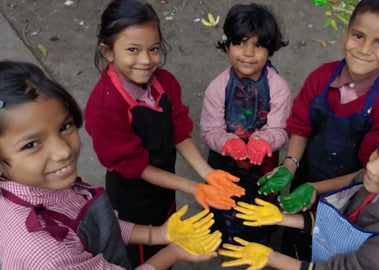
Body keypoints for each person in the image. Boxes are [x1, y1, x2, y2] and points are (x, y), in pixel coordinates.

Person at [0, 60, 223, 270]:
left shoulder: (44, 183)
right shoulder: (48, 256)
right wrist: (173, 252)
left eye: (65, 126)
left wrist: (161, 235)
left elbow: (101, 227)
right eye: (31, 144)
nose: (63, 151)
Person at [84, 0, 244, 266]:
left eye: (154, 49)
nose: (146, 60)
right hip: (131, 197)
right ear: (108, 51)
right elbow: (136, 167)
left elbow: (179, 132)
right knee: (142, 252)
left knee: (168, 227)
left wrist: (208, 174)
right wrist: (194, 187)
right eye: (133, 50)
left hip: (164, 184)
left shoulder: (165, 82)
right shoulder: (105, 107)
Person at [219, 114, 379, 270]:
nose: (371, 165)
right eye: (378, 151)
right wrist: (281, 218)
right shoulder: (376, 186)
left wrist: (272, 257)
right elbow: (340, 227)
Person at [257, 0, 379, 259]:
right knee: (295, 234)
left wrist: (318, 188)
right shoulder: (320, 77)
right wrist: (290, 166)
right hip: (306, 172)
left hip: (350, 190)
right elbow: (301, 127)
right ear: (346, 34)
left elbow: (371, 170)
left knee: (328, 244)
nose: (364, 49)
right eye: (358, 36)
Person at [200, 3, 291, 244]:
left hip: (263, 167)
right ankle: (221, 239)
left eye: (258, 45)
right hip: (225, 164)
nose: (248, 53)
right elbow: (209, 131)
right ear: (226, 43)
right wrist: (227, 142)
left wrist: (265, 140)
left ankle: (257, 241)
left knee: (258, 210)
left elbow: (280, 131)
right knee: (224, 207)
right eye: (240, 43)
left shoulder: (278, 88)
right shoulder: (217, 88)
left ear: (270, 49)